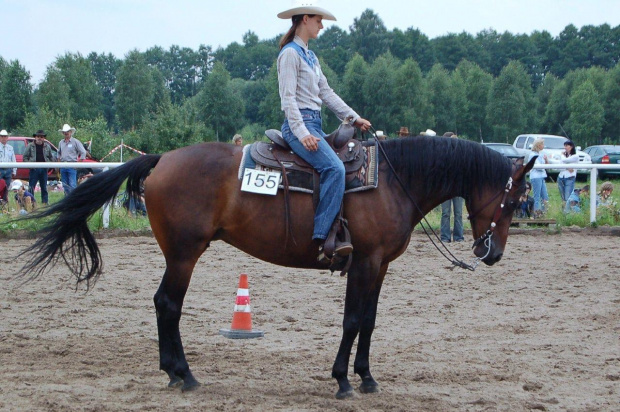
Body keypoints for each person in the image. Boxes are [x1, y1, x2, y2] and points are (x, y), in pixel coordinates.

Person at [277, 3, 371, 260]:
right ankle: (324, 236)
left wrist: (353, 117)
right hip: (300, 125)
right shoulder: (290, 55)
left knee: (337, 164)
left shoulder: (311, 57)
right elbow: (288, 99)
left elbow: (326, 93)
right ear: (305, 20)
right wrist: (300, 131)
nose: (322, 26)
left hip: (314, 124)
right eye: (318, 21)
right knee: (335, 168)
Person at [440, 132, 464, 242]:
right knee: (447, 213)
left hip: (456, 187)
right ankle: (447, 237)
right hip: (447, 187)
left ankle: (457, 236)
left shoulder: (460, 156)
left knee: (457, 213)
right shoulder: (442, 156)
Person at [23, 129, 54, 206]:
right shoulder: (30, 146)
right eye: (38, 136)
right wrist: (30, 165)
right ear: (35, 137)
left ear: (44, 138)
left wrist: (49, 165)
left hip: (44, 169)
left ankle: (45, 202)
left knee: (44, 187)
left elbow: (51, 157)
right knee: (31, 187)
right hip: (34, 169)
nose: (39, 138)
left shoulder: (47, 146)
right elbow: (25, 157)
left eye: (41, 136)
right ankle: (30, 202)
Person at [57, 123, 87, 195]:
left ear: (70, 132)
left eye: (67, 131)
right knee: (65, 184)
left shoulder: (75, 142)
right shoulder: (61, 142)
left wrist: (78, 164)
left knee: (72, 184)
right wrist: (58, 165)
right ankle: (67, 200)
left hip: (72, 164)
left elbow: (83, 152)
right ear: (63, 133)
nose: (66, 133)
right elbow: (58, 154)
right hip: (63, 165)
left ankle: (73, 200)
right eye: (65, 132)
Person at [554, 140, 579, 208]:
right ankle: (564, 212)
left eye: (567, 145)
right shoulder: (564, 156)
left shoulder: (575, 156)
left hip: (570, 178)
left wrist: (562, 156)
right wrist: (568, 168)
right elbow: (559, 167)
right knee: (563, 198)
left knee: (568, 197)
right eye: (564, 146)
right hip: (561, 177)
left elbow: (565, 161)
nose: (565, 147)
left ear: (571, 147)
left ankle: (567, 212)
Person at [528, 138, 549, 218]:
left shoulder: (540, 154)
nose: (543, 146)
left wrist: (546, 160)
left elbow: (545, 166)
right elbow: (538, 167)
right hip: (536, 177)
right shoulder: (533, 155)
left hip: (542, 176)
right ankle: (536, 213)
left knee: (545, 196)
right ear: (538, 145)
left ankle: (544, 213)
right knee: (537, 196)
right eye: (542, 144)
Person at [0, 129, 17, 204]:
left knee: (7, 187)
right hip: (0, 169)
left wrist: (14, 170)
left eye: (5, 136)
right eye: (2, 136)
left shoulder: (10, 148)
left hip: (8, 170)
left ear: (7, 138)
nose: (3, 138)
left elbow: (13, 159)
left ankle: (5, 201)